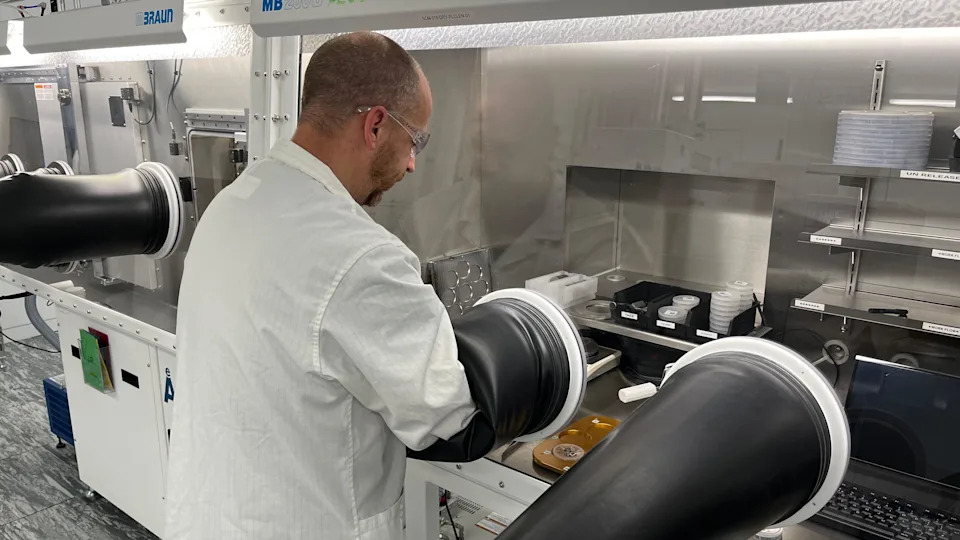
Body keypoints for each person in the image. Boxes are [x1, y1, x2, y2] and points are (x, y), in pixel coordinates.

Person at [165, 32, 478, 539]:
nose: (413, 163)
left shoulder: (231, 204)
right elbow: (448, 414)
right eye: (415, 140)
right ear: (376, 123)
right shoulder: (362, 257)